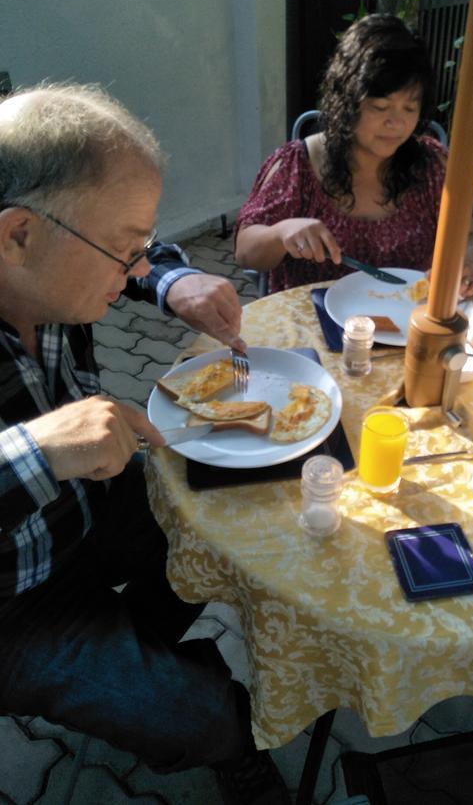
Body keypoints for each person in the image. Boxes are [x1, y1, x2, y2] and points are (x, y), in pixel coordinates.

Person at [0, 83, 289, 805]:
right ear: (17, 236)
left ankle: (137, 659)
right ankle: (185, 708)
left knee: (222, 519)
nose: (132, 268)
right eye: (121, 252)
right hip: (13, 605)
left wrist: (172, 278)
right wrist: (36, 451)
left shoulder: (52, 262)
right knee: (207, 717)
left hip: (87, 509)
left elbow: (131, 247)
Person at [235, 12, 473, 297]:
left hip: (406, 326)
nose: (396, 123)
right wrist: (280, 233)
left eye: (410, 108)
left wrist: (468, 262)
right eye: (380, 107)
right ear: (347, 100)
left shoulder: (432, 167)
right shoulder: (298, 165)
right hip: (310, 330)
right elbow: (245, 252)